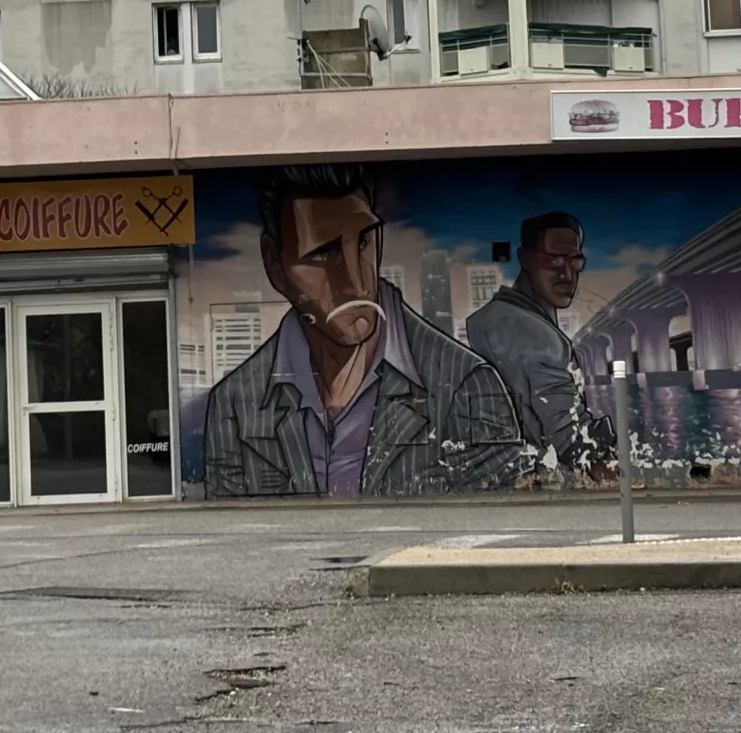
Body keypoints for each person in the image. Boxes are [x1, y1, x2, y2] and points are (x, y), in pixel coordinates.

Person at [204, 165, 520, 497]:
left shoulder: (464, 385)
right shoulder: (236, 403)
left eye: (364, 241)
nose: (355, 283)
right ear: (274, 265)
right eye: (322, 253)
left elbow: (492, 531)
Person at [464, 211, 603, 484]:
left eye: (575, 261)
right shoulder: (543, 340)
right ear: (525, 258)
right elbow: (570, 438)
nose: (566, 273)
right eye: (552, 260)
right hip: (538, 481)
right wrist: (611, 474)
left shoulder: (482, 321)